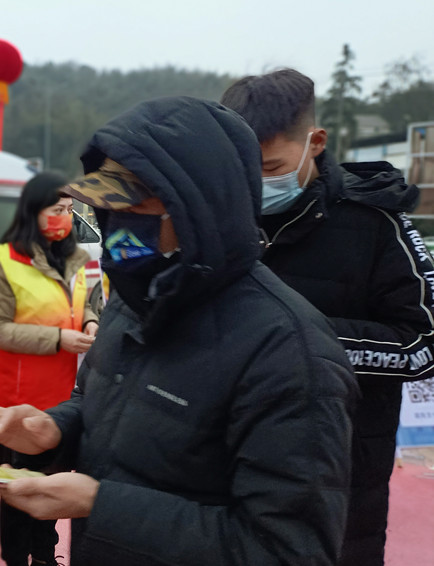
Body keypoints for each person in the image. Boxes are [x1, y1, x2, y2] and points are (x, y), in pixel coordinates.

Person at [0, 97, 360, 566]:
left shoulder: (290, 353)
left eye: (134, 202)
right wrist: (54, 430)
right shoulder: (134, 297)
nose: (117, 220)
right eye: (107, 203)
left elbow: (287, 550)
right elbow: (101, 402)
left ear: (199, 207)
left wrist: (102, 505)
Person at [220, 69, 434, 566]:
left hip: (339, 473)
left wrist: (301, 341)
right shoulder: (219, 215)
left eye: (270, 166)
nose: (255, 183)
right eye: (240, 168)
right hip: (229, 463)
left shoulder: (375, 220)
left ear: (315, 143)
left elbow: (421, 345)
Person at [0, 171, 99, 566]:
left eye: (69, 210)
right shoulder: (3, 261)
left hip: (62, 400)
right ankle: (16, 559)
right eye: (56, 209)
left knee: (51, 488)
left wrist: (89, 322)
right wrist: (57, 339)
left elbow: (82, 305)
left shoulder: (72, 259)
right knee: (18, 493)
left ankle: (45, 558)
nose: (64, 218)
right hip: (19, 401)